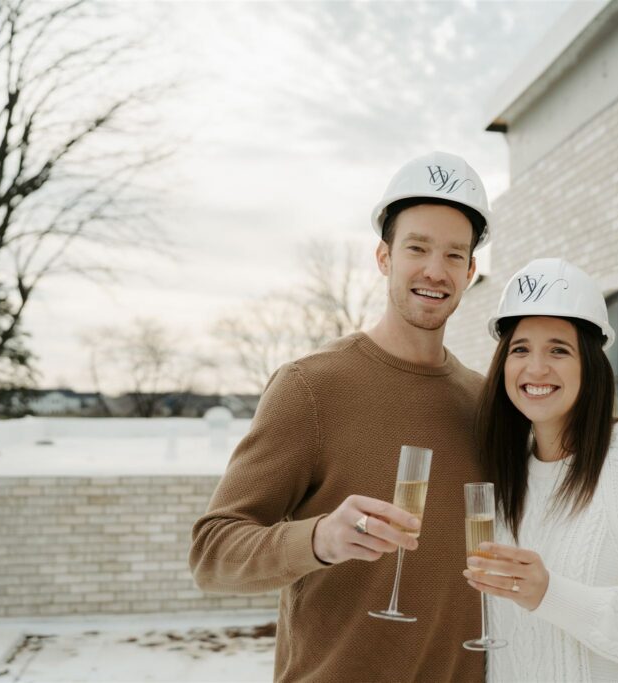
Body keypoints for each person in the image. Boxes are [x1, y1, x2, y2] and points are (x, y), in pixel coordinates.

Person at [190, 151, 491, 682]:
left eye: (453, 255)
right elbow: (212, 554)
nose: (433, 270)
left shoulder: (483, 401)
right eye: (417, 248)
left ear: (469, 271)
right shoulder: (311, 386)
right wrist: (320, 540)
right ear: (384, 257)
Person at [463, 258, 618, 681]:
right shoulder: (508, 472)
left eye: (558, 350)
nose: (536, 368)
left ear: (590, 365)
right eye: (520, 348)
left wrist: (551, 594)